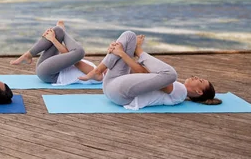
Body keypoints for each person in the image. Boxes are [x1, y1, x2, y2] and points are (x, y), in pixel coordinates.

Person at [79, 31, 222, 110]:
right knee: (129, 36)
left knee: (171, 74)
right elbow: (141, 73)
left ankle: (138, 50)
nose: (196, 77)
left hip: (120, 94)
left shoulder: (180, 93)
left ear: (199, 92)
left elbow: (143, 73)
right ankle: (98, 70)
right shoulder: (176, 88)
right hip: (112, 85)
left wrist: (122, 54)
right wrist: (118, 52)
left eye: (200, 81)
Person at [10, 20, 101, 86]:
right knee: (57, 31)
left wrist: (53, 39)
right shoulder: (96, 68)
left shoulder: (99, 75)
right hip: (46, 66)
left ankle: (62, 30)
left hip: (48, 74)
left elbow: (76, 61)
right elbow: (68, 55)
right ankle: (28, 55)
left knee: (80, 52)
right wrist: (54, 38)